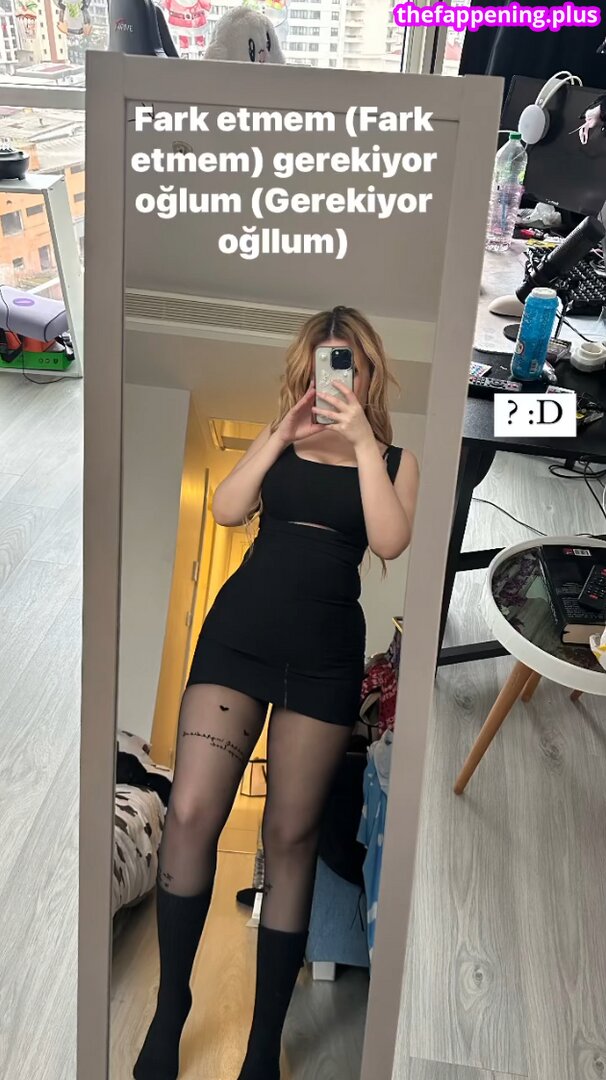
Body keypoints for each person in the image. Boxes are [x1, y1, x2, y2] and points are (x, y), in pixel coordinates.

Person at [133, 304, 420, 1080]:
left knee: (290, 838)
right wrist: (280, 433)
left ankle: (264, 1043)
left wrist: (361, 441)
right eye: (326, 360)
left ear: (369, 372)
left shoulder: (393, 460)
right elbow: (228, 509)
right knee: (191, 811)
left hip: (325, 658)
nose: (338, 374)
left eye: (351, 360)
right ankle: (170, 1005)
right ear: (305, 370)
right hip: (239, 637)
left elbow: (390, 539)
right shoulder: (280, 438)